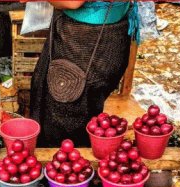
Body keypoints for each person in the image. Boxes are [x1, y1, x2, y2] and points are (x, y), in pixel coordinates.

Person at [30, 1, 139, 147]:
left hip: (86, 39)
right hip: (109, 33)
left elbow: (73, 2)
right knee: (84, 104)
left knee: (66, 114)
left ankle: (66, 162)